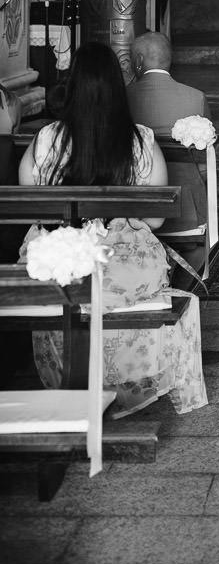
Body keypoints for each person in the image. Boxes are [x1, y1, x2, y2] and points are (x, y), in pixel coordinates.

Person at [18, 43, 207, 417]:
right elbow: (154, 220)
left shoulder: (46, 139)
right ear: (118, 90)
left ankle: (73, 378)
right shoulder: (140, 140)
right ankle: (127, 379)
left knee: (62, 286)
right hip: (124, 268)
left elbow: (31, 206)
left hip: (62, 265)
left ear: (71, 87)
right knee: (140, 282)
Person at [127, 31, 212, 246]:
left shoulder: (122, 96)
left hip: (134, 212)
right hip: (187, 212)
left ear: (138, 61)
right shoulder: (196, 97)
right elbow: (205, 162)